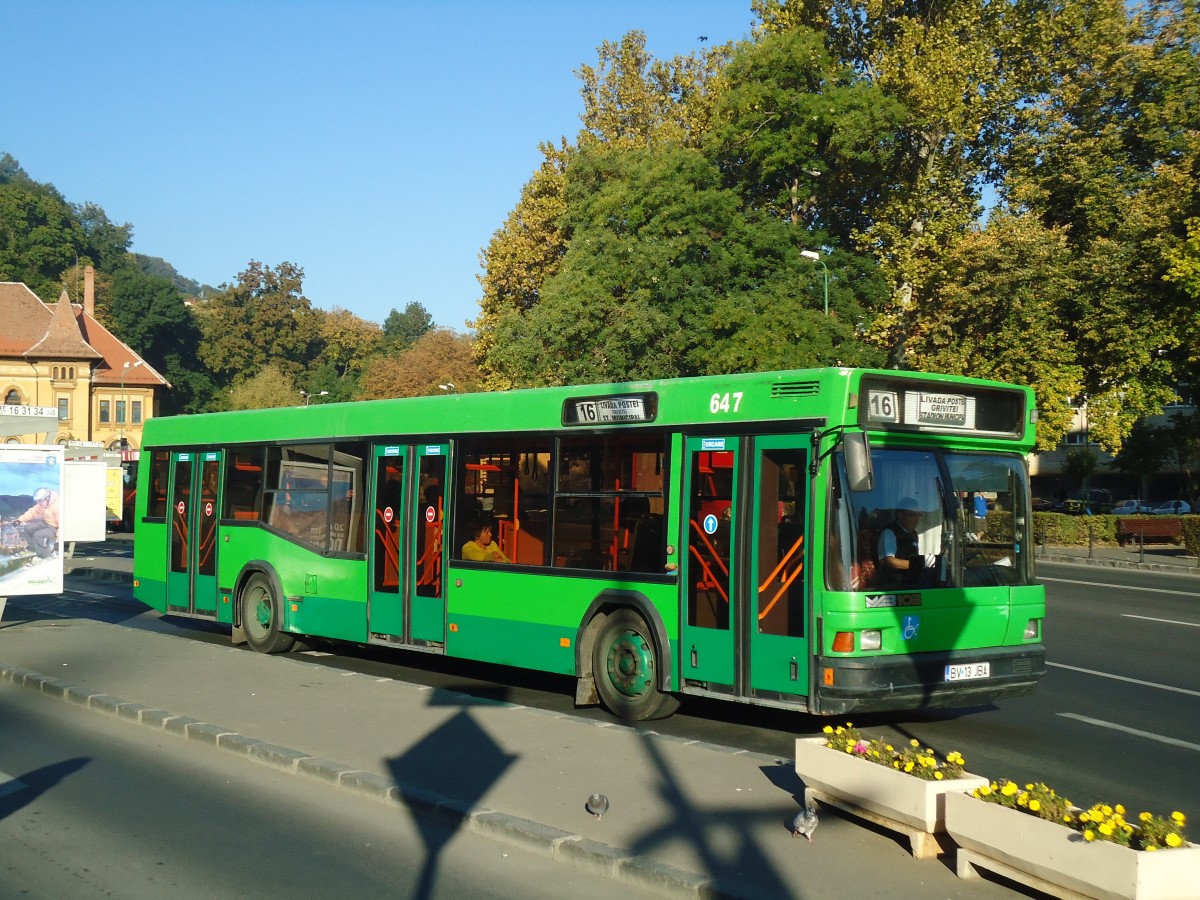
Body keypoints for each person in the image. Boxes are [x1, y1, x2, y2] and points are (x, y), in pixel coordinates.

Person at [877, 497, 936, 586]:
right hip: (893, 585)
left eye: (918, 515)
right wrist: (919, 564)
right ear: (901, 516)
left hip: (911, 581)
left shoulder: (913, 534)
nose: (917, 519)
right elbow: (888, 561)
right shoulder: (889, 532)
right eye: (912, 515)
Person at [17, 487, 60, 559]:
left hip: (56, 528)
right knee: (28, 529)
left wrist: (59, 541)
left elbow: (63, 526)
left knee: (38, 535)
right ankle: (33, 549)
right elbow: (32, 512)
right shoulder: (43, 504)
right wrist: (20, 520)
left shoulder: (57, 506)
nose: (38, 503)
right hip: (47, 523)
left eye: (40, 501)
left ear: (47, 498)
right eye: (37, 501)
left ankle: (44, 555)